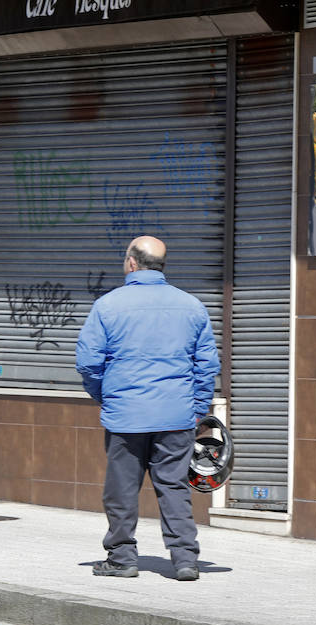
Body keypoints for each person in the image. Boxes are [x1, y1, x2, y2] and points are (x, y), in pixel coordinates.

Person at [75, 235, 220, 582]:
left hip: (126, 416)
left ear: (131, 263)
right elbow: (207, 365)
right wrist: (198, 408)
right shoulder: (191, 306)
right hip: (176, 415)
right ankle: (185, 560)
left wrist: (106, 395)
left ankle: (123, 558)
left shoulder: (108, 306)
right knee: (173, 487)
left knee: (122, 489)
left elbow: (88, 363)